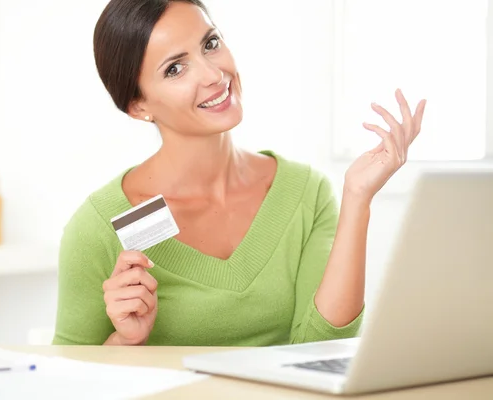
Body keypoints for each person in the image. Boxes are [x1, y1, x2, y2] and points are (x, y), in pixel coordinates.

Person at [52, 0, 426, 346]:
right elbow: (67, 383)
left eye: (210, 43)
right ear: (137, 105)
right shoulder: (98, 228)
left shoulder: (305, 193)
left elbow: (317, 349)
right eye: (175, 68)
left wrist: (358, 198)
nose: (214, 74)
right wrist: (125, 343)